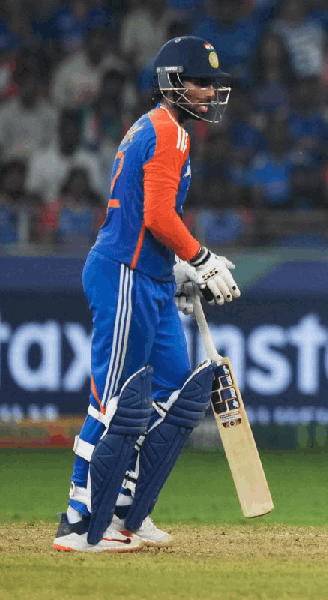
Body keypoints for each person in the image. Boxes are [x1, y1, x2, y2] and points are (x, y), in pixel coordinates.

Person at [52, 36, 241, 553]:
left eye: (212, 84)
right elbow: (157, 216)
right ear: (174, 83)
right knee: (112, 402)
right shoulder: (167, 131)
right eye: (201, 82)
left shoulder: (161, 128)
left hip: (148, 276)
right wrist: (199, 259)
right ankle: (77, 523)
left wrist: (176, 267)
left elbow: (146, 215)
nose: (209, 92)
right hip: (124, 275)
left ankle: (125, 513)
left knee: (174, 392)